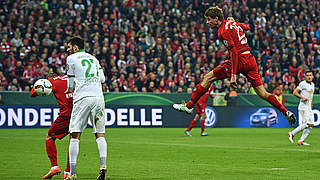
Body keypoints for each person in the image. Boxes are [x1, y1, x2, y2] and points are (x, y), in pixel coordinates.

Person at [173, 6, 297, 126]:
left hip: (240, 59)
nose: (207, 22)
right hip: (250, 59)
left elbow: (233, 52)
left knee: (208, 78)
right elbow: (247, 27)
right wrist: (236, 23)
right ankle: (286, 112)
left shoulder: (222, 31)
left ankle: (189, 106)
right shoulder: (232, 23)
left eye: (209, 19)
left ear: (216, 19)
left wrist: (233, 75)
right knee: (263, 93)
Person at [65, 37, 107, 180]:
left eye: (69, 47)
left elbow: (70, 82)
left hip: (82, 98)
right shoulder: (94, 59)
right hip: (98, 98)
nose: (68, 49)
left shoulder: (71, 58)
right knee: (100, 134)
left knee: (75, 135)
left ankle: (73, 173)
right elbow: (102, 79)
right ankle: (103, 166)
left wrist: (68, 91)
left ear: (76, 47)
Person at [30, 74, 73, 180]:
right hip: (81, 112)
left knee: (50, 137)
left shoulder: (52, 81)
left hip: (66, 115)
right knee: (74, 140)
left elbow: (32, 94)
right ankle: (68, 172)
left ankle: (54, 166)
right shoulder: (73, 77)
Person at [288, 71, 314, 146]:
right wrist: (302, 98)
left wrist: (311, 105)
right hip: (303, 106)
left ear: (312, 76)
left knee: (311, 124)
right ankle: (291, 133)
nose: (309, 77)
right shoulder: (303, 84)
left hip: (309, 107)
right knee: (306, 124)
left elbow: (310, 96)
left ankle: (301, 140)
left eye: (310, 75)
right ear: (305, 77)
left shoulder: (312, 85)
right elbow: (295, 92)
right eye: (307, 75)